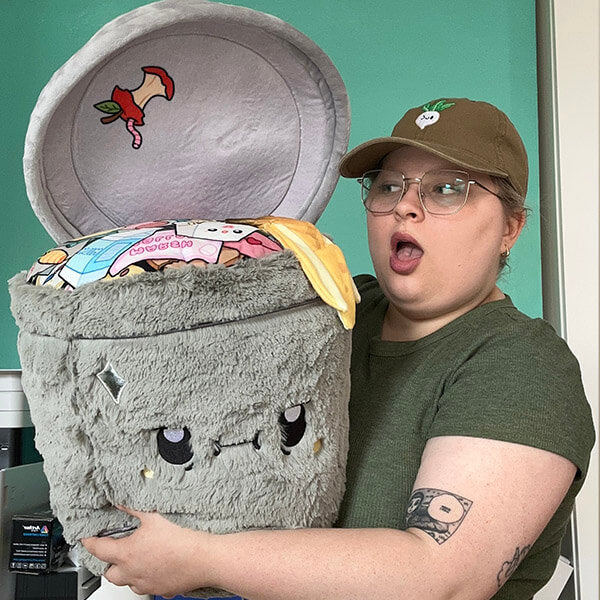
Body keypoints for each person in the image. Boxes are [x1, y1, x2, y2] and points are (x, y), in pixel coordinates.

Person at [82, 98, 595, 600]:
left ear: (510, 227)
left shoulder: (522, 364)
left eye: (446, 189)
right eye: (390, 185)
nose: (406, 206)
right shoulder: (329, 309)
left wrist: (198, 558)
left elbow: (440, 578)